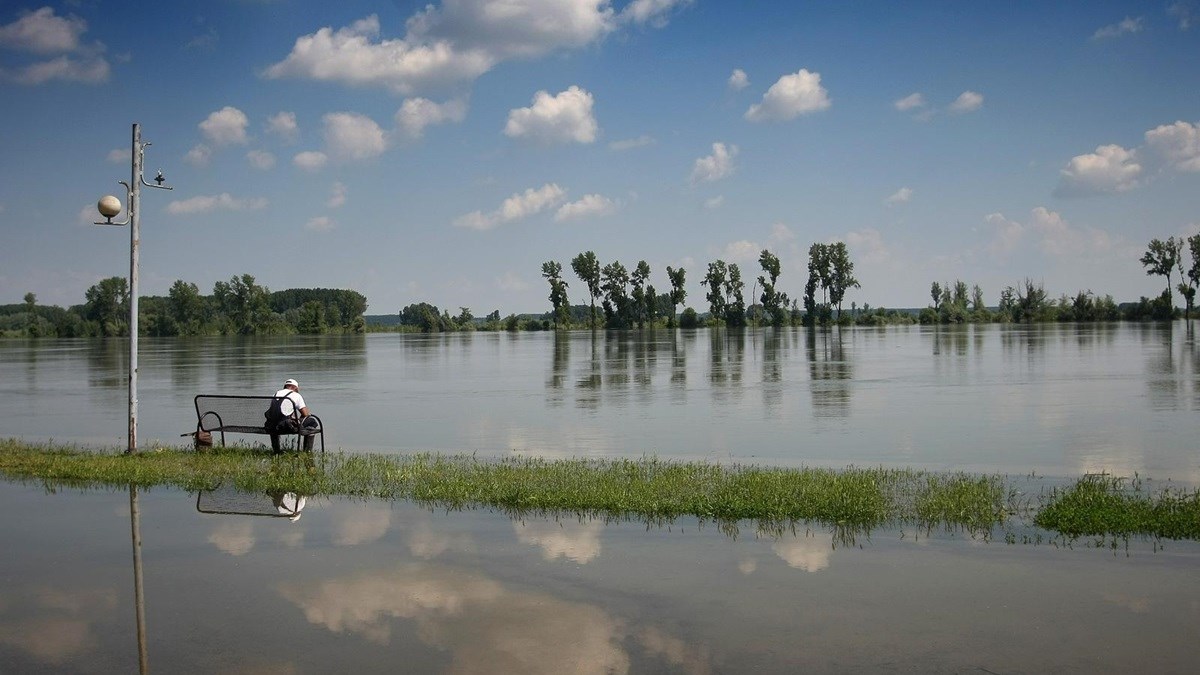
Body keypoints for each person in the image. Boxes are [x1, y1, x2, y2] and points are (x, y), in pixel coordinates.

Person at [270, 378, 319, 452]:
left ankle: (276, 451)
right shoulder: (296, 395)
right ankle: (307, 451)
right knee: (312, 421)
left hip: (273, 425)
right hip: (287, 426)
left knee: (278, 420)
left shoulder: (275, 394)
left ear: (285, 386)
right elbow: (305, 414)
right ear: (295, 387)